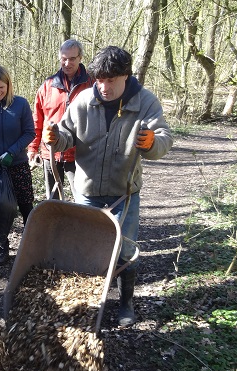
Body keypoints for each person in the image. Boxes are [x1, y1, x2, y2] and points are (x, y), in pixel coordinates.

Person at [43, 46, 174, 326]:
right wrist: (55, 136)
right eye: (99, 80)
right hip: (87, 190)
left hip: (123, 191)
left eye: (111, 80)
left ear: (126, 76)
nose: (103, 87)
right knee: (84, 248)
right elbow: (67, 134)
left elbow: (164, 138)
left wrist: (152, 143)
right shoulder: (83, 100)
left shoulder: (145, 102)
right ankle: (87, 305)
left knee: (126, 249)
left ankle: (125, 303)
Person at [0, 65, 36, 265]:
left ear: (8, 85)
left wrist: (12, 151)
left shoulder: (20, 104)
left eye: (1, 88)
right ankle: (3, 248)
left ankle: (31, 247)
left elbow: (30, 132)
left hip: (17, 164)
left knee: (26, 205)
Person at [27, 39, 94, 199]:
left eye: (72, 59)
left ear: (80, 58)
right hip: (50, 152)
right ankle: (56, 225)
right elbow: (37, 119)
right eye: (64, 58)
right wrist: (32, 147)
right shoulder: (47, 86)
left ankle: (81, 224)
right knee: (53, 200)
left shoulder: (92, 85)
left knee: (83, 198)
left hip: (80, 152)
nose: (67, 63)